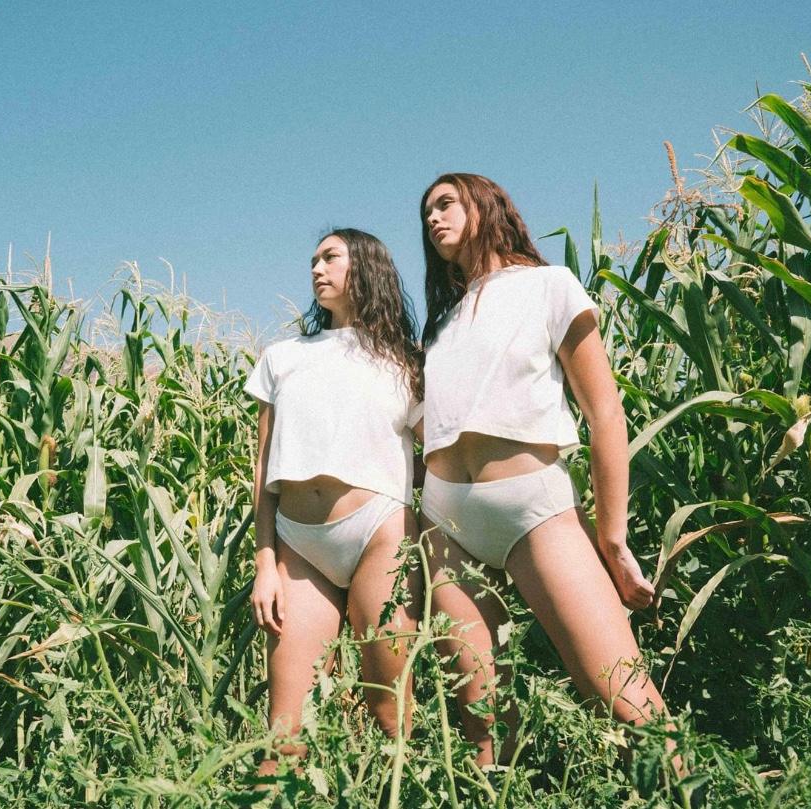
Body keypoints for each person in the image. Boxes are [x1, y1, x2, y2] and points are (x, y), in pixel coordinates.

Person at [416, 173, 675, 770]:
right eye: (426, 212)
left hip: (533, 507)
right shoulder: (442, 326)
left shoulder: (549, 286)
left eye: (445, 203)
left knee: (628, 703)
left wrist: (613, 538)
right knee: (484, 731)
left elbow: (606, 414)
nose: (432, 219)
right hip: (445, 523)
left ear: (486, 205)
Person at [245, 228, 423, 775]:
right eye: (313, 260)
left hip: (380, 533)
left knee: (389, 711)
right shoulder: (283, 356)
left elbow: (432, 459)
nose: (317, 269)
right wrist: (264, 561)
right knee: (285, 731)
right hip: (299, 546)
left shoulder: (406, 361)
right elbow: (263, 464)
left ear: (365, 266)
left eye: (330, 258)